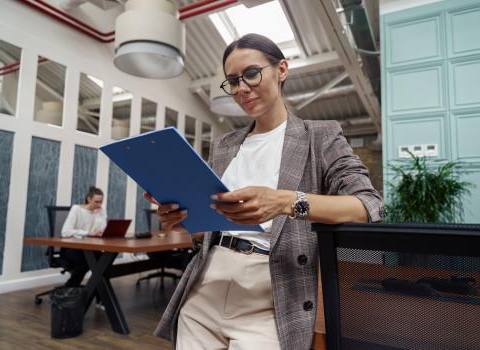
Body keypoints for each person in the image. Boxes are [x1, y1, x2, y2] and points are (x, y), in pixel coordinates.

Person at [151, 33, 384, 350]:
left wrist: (288, 201)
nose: (241, 88)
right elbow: (208, 223)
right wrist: (184, 218)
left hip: (273, 290)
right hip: (208, 283)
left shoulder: (321, 136)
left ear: (282, 70)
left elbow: (368, 206)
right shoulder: (224, 145)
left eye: (251, 73)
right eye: (233, 81)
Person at [61, 186, 107, 287]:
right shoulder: (76, 209)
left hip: (90, 247)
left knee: (104, 262)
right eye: (96, 202)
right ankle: (68, 289)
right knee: (87, 261)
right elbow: (65, 232)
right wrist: (88, 233)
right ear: (89, 199)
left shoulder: (100, 210)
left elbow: (103, 228)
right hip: (72, 248)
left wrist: (99, 216)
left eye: (101, 202)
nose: (99, 205)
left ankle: (98, 294)